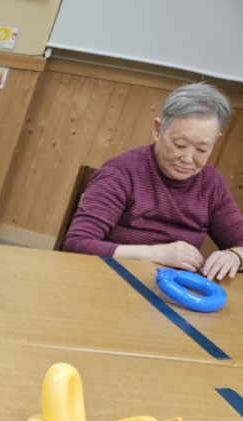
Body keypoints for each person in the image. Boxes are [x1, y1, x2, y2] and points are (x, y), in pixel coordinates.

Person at [63, 82, 243, 281]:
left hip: (173, 287)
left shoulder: (211, 184)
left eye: (202, 149)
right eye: (179, 145)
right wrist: (154, 254)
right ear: (158, 130)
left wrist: (234, 256)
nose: (187, 158)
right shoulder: (120, 173)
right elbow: (77, 244)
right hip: (110, 278)